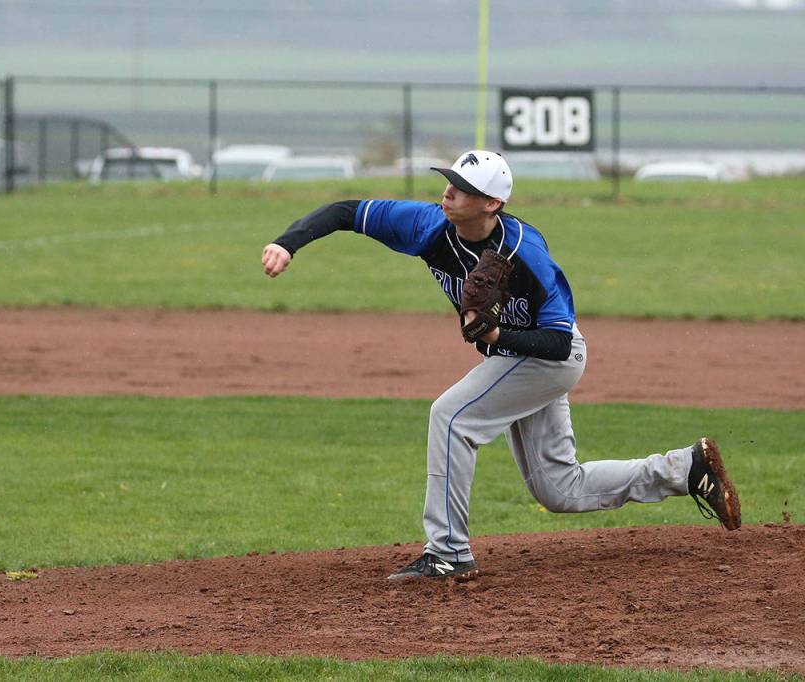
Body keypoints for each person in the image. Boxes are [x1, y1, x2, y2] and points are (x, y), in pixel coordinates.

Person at [260, 150, 741, 581]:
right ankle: (685, 469)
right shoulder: (428, 225)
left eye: (462, 189)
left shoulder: (524, 254)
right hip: (520, 357)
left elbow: (557, 341)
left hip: (550, 356)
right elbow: (348, 212)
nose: (447, 193)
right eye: (448, 182)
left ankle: (448, 553)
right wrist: (289, 243)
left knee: (450, 416)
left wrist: (495, 335)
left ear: (491, 203)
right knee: (559, 489)